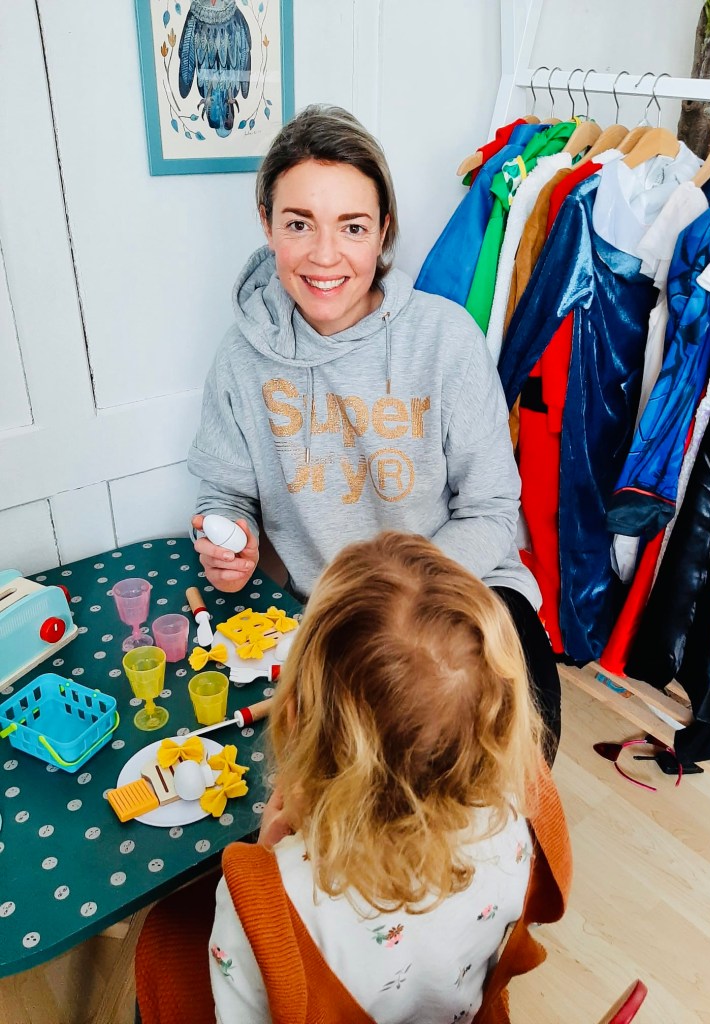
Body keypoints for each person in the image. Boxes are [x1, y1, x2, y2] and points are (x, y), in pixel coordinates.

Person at [188, 103, 561, 757]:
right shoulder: (240, 357)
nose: (325, 255)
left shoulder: (445, 338)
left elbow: (492, 511)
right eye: (299, 223)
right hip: (331, 620)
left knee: (520, 754)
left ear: (383, 230)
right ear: (267, 224)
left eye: (353, 227)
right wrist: (229, 545)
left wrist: (394, 601)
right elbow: (224, 496)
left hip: (467, 590)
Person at [207, 532, 571, 1022]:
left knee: (158, 940)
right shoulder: (521, 813)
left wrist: (268, 860)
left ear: (293, 717)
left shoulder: (260, 901)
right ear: (501, 720)